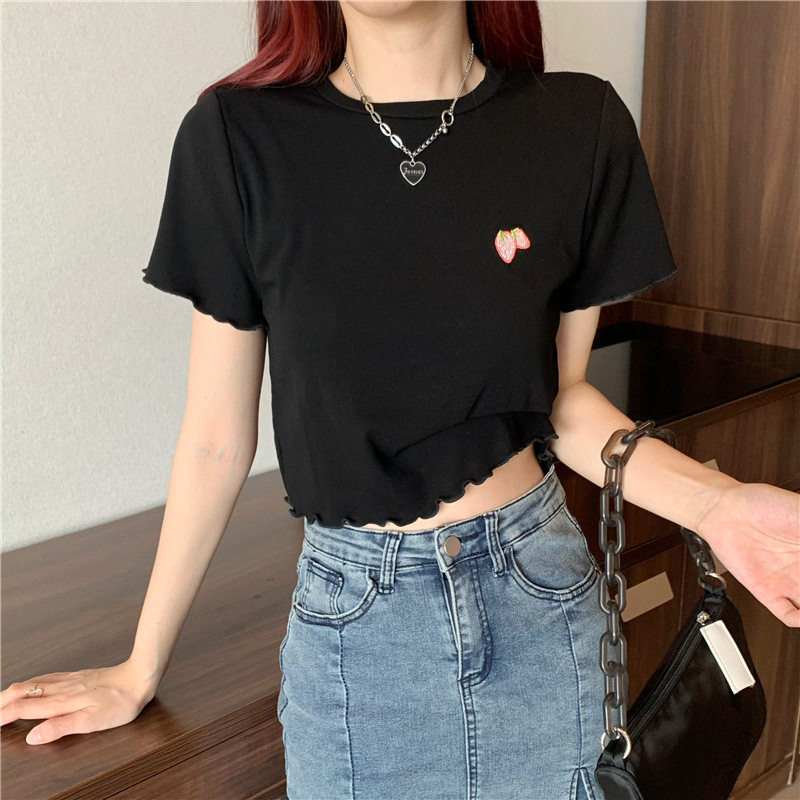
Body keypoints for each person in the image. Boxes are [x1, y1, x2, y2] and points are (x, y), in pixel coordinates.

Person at [3, 2, 798, 798]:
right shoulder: (238, 139)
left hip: (542, 607)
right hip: (356, 643)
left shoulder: (577, 124)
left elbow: (561, 401)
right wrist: (140, 665)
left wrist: (718, 505)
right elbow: (215, 438)